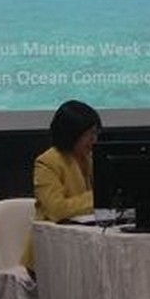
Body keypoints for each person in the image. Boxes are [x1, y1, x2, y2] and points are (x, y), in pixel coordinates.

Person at [21, 100, 102, 271]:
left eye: (96, 133)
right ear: (71, 134)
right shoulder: (47, 162)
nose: (94, 140)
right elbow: (57, 209)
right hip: (50, 252)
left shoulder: (90, 158)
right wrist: (99, 197)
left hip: (84, 245)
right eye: (88, 135)